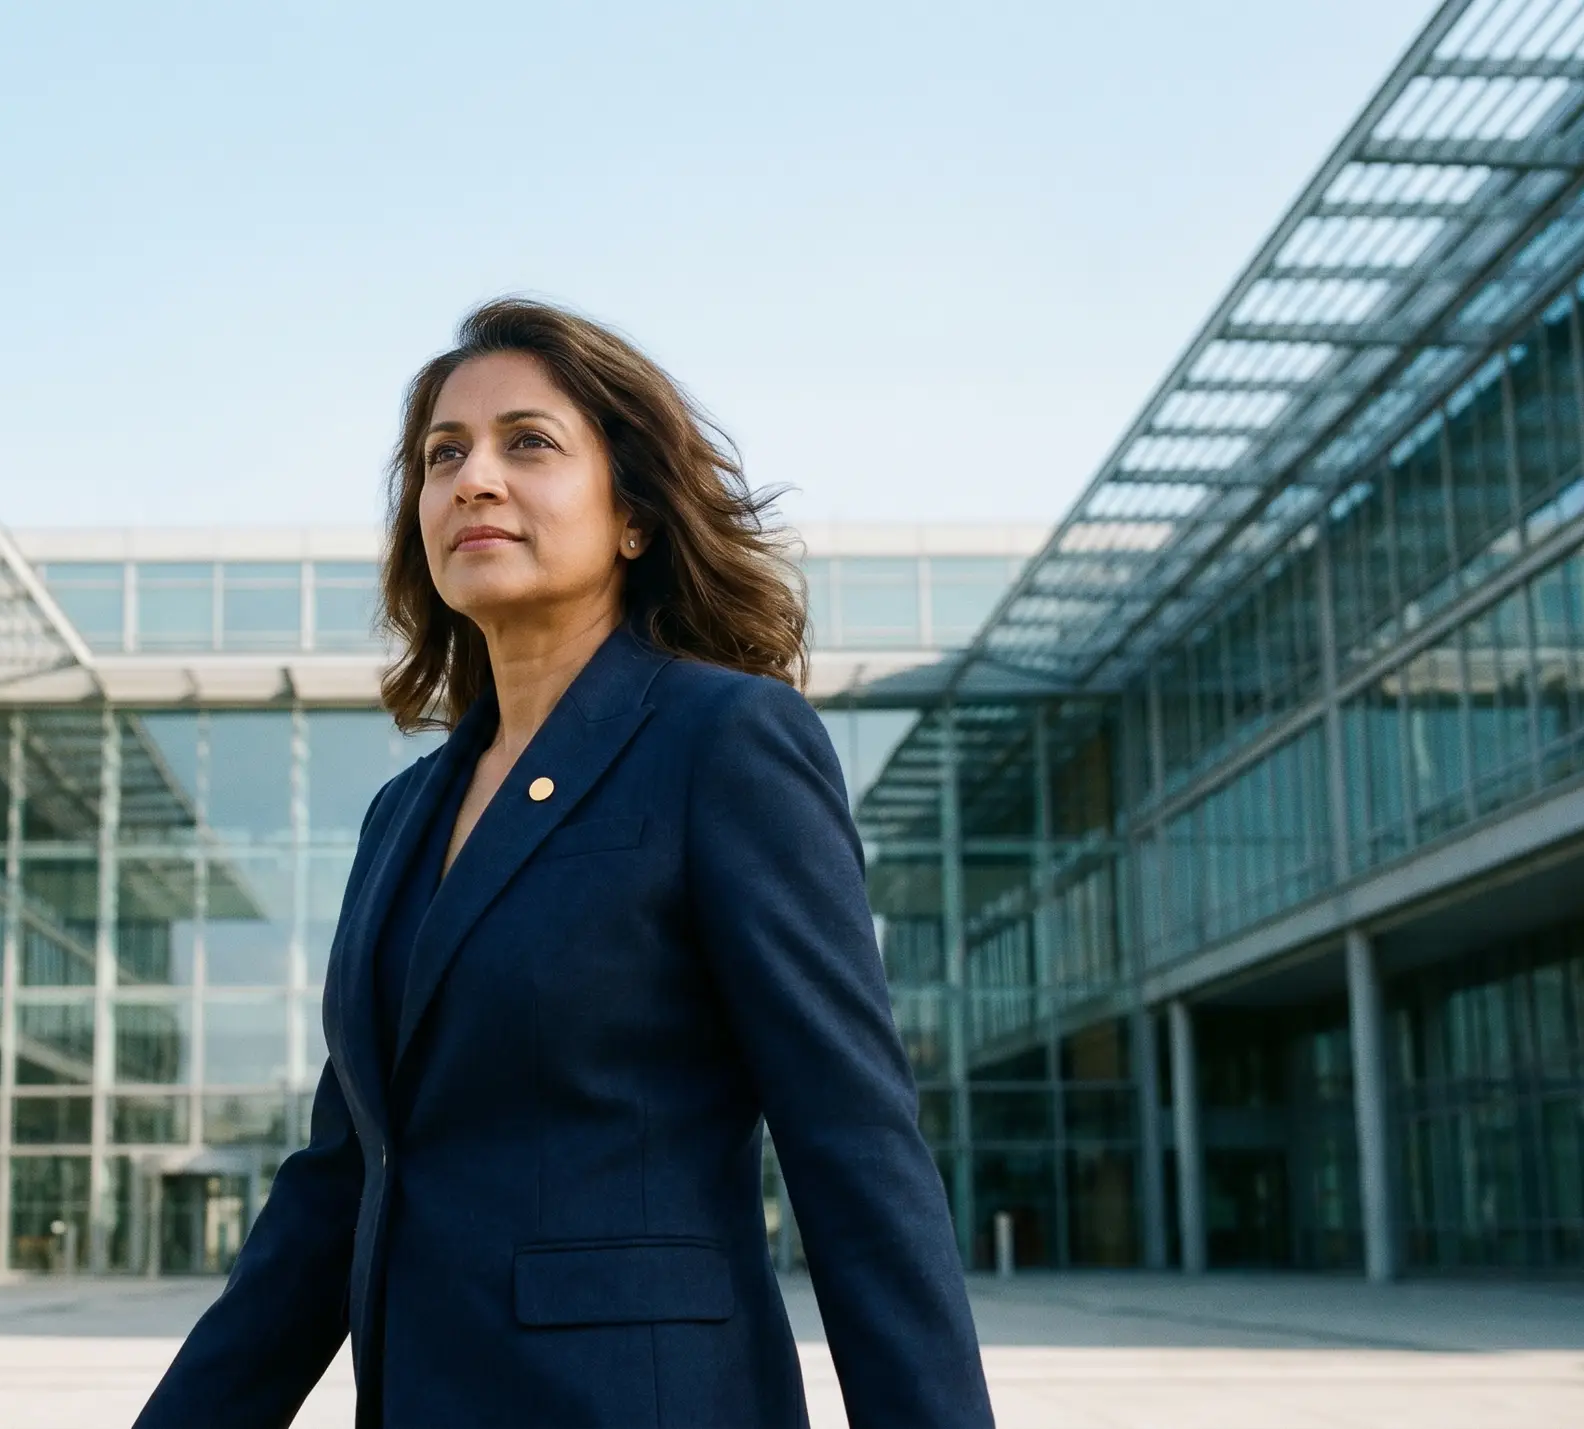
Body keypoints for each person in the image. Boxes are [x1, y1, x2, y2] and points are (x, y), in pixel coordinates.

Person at [134, 298, 994, 1428]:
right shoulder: (401, 816)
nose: (471, 479)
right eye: (443, 455)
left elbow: (852, 1144)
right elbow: (339, 1186)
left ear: (632, 514)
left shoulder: (722, 741)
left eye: (525, 443)